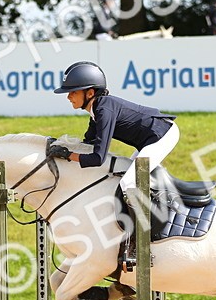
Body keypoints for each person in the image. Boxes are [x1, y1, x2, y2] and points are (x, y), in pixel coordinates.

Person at [47, 60, 179, 269]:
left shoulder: (104, 109)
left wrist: (68, 155)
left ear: (90, 93)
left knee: (128, 184)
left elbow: (98, 157)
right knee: (125, 177)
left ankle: (138, 245)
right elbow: (88, 145)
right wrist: (63, 149)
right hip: (148, 140)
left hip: (162, 135)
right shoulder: (95, 111)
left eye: (73, 91)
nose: (68, 96)